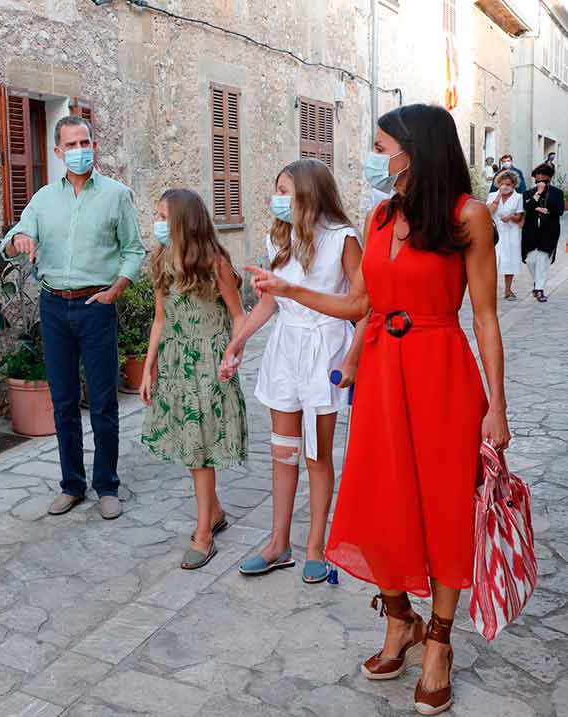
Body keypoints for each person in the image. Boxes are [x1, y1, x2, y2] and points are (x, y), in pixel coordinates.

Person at [248, 104, 509, 716]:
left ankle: (439, 641)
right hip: (385, 376)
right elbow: (360, 305)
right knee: (378, 498)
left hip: (443, 371)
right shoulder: (379, 214)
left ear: (414, 150)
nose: (374, 155)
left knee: (444, 505)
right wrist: (290, 289)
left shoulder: (466, 216)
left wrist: (497, 405)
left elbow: (488, 319)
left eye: (381, 144)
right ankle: (399, 620)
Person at [219, 159, 362, 585]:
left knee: (317, 456)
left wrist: (351, 358)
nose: (277, 198)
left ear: (309, 193)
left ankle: (316, 546)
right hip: (286, 349)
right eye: (276, 189)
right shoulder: (277, 237)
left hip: (323, 350)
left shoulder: (343, 239)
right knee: (283, 452)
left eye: (286, 190)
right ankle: (278, 542)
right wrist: (236, 343)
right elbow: (269, 303)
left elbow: (364, 304)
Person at [3, 116, 146, 520]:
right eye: (72, 144)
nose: (81, 150)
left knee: (102, 401)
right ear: (58, 151)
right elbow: (8, 244)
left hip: (96, 306)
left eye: (86, 142)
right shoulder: (44, 199)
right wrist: (19, 240)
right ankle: (71, 484)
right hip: (53, 306)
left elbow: (134, 250)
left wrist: (117, 288)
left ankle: (107, 486)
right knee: (63, 401)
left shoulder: (117, 195)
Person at [139, 188, 247, 570]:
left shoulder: (215, 263)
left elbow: (238, 315)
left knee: (201, 448)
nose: (158, 223)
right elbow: (160, 319)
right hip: (175, 363)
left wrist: (235, 352)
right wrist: (149, 368)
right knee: (191, 444)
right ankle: (214, 510)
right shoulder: (161, 261)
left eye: (164, 216)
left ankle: (204, 534)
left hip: (208, 364)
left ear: (184, 221)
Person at [521, 163, 564, 303]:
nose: (541, 182)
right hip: (531, 231)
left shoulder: (557, 192)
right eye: (538, 180)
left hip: (549, 231)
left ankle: (539, 289)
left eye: (543, 180)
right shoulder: (528, 193)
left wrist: (548, 210)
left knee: (543, 260)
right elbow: (527, 206)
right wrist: (538, 194)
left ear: (549, 178)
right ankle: (537, 283)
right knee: (530, 259)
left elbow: (560, 210)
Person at [486, 170, 525, 300]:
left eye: (508, 184)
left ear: (513, 184)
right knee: (493, 262)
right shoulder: (492, 195)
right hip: (495, 233)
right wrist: (497, 198)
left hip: (511, 232)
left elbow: (519, 216)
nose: (505, 186)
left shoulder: (518, 197)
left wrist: (510, 217)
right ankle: (490, 291)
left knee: (509, 261)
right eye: (502, 184)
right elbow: (488, 213)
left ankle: (508, 291)